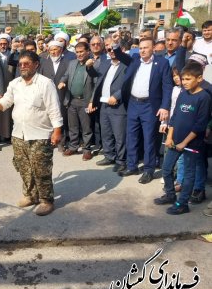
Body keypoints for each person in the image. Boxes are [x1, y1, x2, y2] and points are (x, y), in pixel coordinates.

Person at [0, 51, 63, 216]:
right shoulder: (15, 84)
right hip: (19, 134)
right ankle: (30, 195)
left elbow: (54, 109)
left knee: (41, 170)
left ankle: (46, 200)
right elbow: (6, 101)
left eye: (27, 63)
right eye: (20, 64)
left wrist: (57, 131)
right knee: (24, 167)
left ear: (36, 65)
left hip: (40, 135)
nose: (23, 67)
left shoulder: (45, 83)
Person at [154, 62, 211, 214]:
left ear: (199, 78)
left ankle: (183, 203)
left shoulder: (204, 97)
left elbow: (200, 125)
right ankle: (170, 194)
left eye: (187, 79)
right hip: (175, 141)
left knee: (189, 174)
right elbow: (174, 117)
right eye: (182, 79)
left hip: (192, 144)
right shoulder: (182, 94)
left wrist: (184, 142)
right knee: (166, 170)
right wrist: (170, 137)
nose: (184, 82)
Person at [115, 35, 173, 183]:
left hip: (150, 106)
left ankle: (148, 170)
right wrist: (116, 43)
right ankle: (132, 165)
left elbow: (167, 86)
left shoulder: (162, 63)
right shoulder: (134, 60)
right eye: (140, 48)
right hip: (133, 104)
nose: (142, 51)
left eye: (145, 47)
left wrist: (165, 106)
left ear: (153, 48)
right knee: (131, 136)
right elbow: (120, 55)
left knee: (149, 139)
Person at [90, 39, 128, 172]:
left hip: (118, 105)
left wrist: (117, 96)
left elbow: (127, 85)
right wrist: (89, 67)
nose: (111, 51)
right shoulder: (106, 63)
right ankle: (109, 155)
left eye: (114, 49)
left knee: (119, 135)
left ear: (121, 50)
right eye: (109, 49)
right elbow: (97, 78)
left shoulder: (127, 64)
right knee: (106, 132)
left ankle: (121, 160)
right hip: (104, 104)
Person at [59, 42, 98, 160]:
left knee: (86, 128)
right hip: (71, 100)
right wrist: (62, 81)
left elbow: (96, 84)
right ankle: (73, 146)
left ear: (88, 52)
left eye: (82, 52)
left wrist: (92, 101)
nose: (79, 54)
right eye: (77, 52)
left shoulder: (92, 64)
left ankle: (87, 149)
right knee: (73, 126)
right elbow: (66, 75)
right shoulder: (72, 63)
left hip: (85, 101)